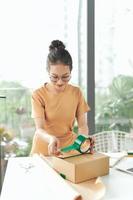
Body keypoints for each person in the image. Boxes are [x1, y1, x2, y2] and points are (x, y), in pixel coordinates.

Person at [30, 40, 92, 156]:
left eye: (65, 77)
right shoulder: (38, 94)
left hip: (70, 147)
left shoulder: (76, 92)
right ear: (48, 72)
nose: (59, 82)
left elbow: (83, 126)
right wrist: (51, 139)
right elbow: (39, 129)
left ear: (70, 72)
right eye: (54, 77)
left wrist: (81, 143)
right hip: (44, 148)